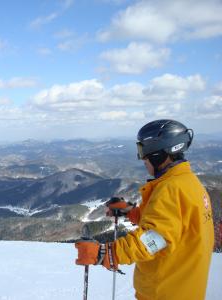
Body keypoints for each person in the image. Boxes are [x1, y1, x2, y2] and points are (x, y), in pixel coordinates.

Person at [75, 119, 214, 299]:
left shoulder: (171, 189)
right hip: (183, 288)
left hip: (165, 292)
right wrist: (131, 212)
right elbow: (171, 225)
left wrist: (106, 253)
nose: (142, 159)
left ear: (158, 153)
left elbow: (155, 238)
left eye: (143, 151)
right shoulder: (189, 183)